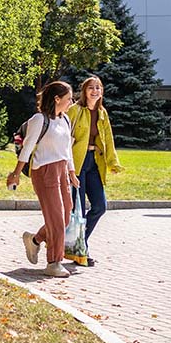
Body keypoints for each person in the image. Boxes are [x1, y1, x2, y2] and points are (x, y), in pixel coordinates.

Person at [7, 81, 78, 278]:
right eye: (69, 98)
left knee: (64, 217)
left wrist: (71, 172)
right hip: (44, 171)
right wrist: (16, 174)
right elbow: (28, 148)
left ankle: (35, 240)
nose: (71, 102)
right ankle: (54, 262)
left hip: (62, 170)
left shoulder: (65, 120)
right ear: (57, 99)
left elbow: (67, 149)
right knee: (56, 219)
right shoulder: (39, 119)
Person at [66, 76, 123, 267]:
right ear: (84, 91)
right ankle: (80, 250)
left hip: (94, 163)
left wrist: (113, 163)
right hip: (77, 162)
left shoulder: (102, 113)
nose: (95, 91)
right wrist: (67, 166)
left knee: (100, 206)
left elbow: (108, 139)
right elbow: (65, 137)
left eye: (98, 88)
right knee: (79, 209)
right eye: (91, 87)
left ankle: (80, 243)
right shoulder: (75, 110)